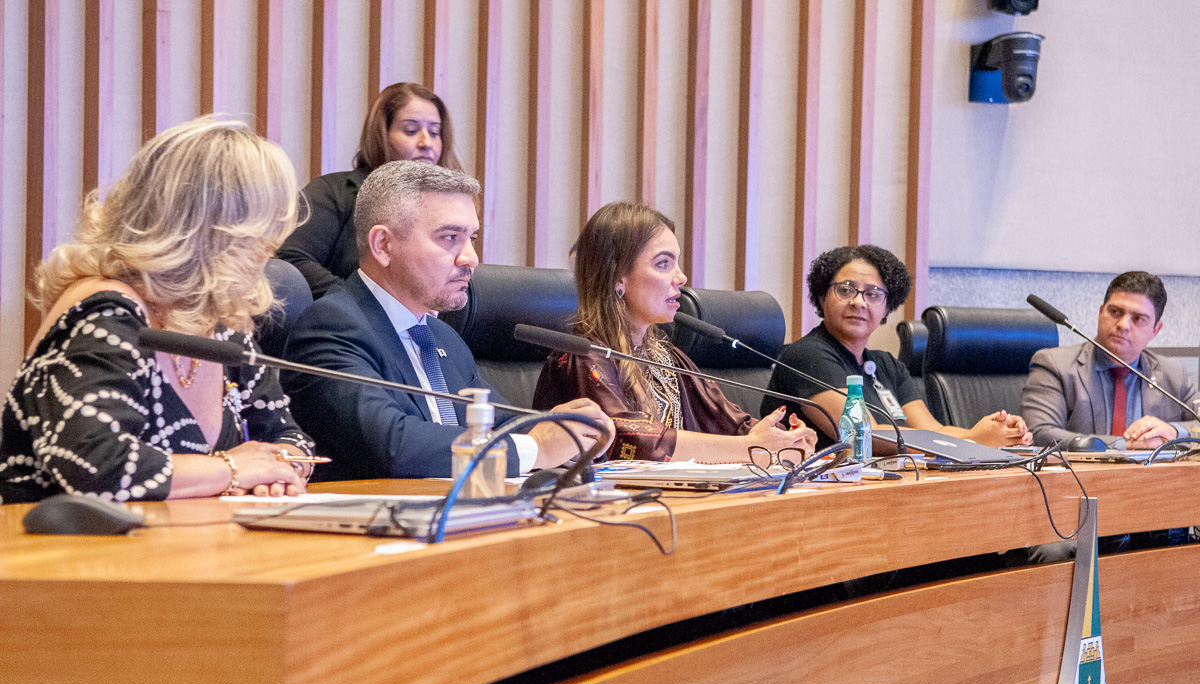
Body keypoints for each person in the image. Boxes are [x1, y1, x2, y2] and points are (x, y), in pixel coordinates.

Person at [0, 117, 316, 504]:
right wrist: (232, 469)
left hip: (187, 538)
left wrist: (281, 470)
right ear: (213, 232)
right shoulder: (105, 310)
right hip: (60, 541)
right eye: (264, 231)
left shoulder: (220, 322)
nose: (272, 247)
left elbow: (289, 436)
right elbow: (96, 466)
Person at [282, 161, 613, 480]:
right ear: (383, 245)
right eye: (450, 237)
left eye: (472, 239)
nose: (471, 258)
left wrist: (568, 432)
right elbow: (393, 445)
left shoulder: (443, 337)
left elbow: (501, 424)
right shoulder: (332, 327)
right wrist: (537, 448)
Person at [532, 201, 816, 463]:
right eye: (663, 264)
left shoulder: (668, 357)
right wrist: (751, 447)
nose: (681, 277)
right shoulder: (582, 356)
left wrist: (783, 438)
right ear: (617, 277)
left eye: (677, 263)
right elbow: (630, 441)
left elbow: (731, 423)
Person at [765, 245, 1031, 452]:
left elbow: (932, 430)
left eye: (873, 294)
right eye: (845, 290)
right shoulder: (807, 355)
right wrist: (972, 441)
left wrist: (993, 434)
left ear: (886, 308)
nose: (859, 302)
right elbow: (864, 435)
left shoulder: (887, 366)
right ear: (822, 297)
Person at [276, 82, 464, 299]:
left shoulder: (451, 210)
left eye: (434, 132)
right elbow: (292, 259)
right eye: (411, 131)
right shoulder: (333, 192)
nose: (426, 142)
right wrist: (365, 305)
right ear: (382, 135)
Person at [1022, 271, 1198, 449]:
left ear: (1155, 330)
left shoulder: (1173, 373)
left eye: (1138, 318)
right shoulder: (1055, 365)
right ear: (1100, 312)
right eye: (1115, 312)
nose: (1123, 325)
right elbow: (1039, 433)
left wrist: (1174, 432)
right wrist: (1124, 445)